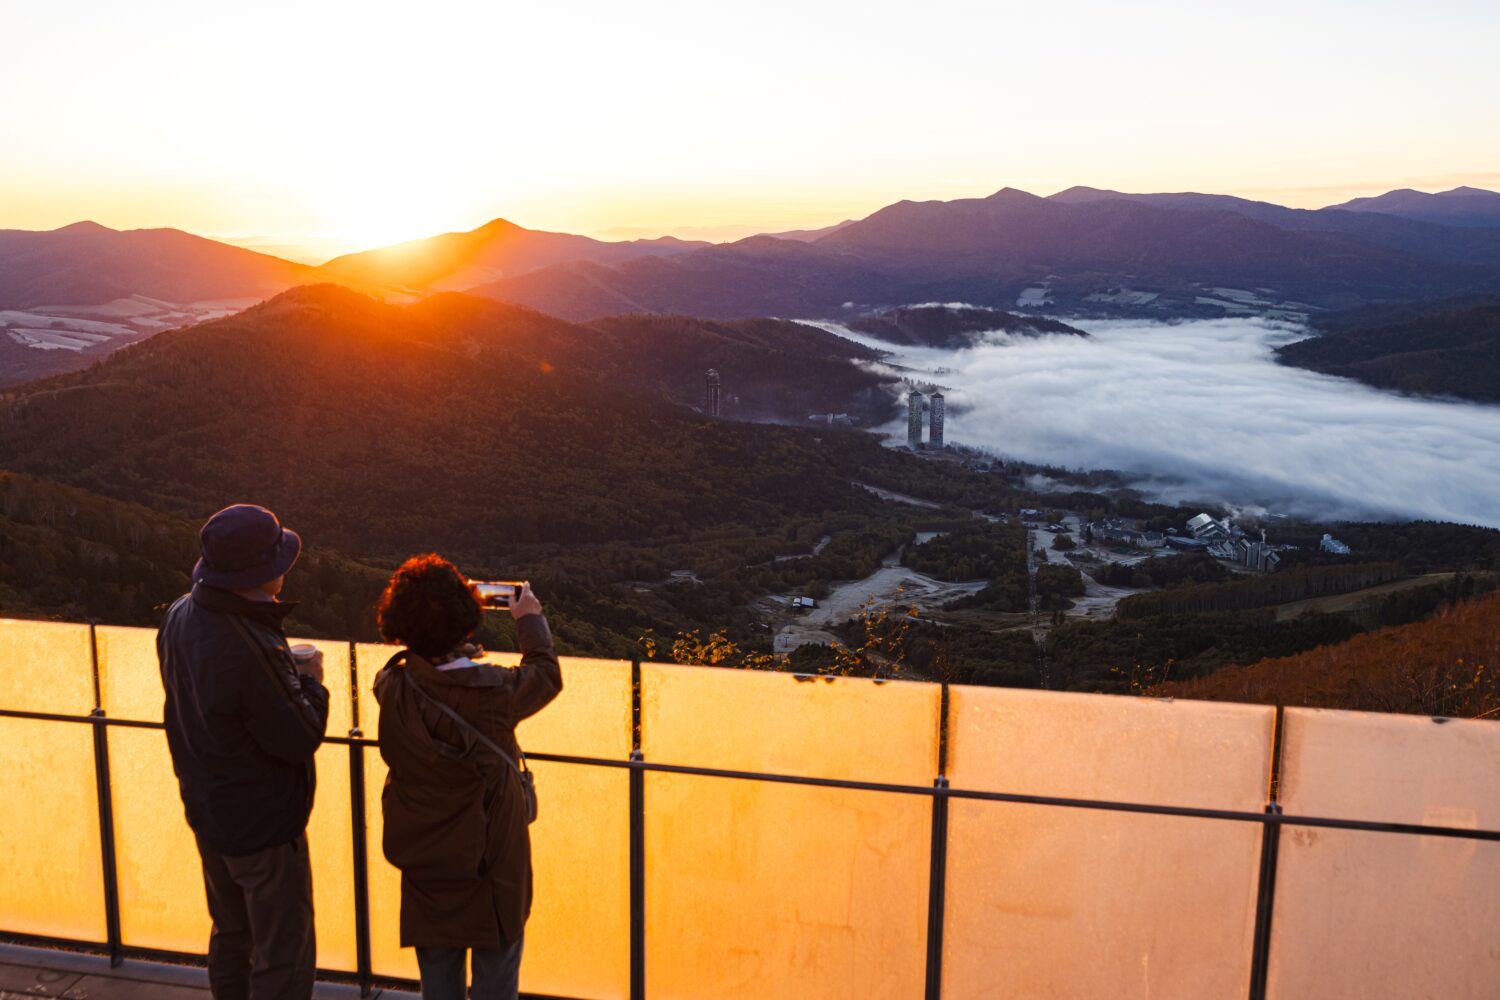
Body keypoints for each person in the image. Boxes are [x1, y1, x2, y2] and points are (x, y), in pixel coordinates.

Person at [157, 504, 330, 1000]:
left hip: (208, 807)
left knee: (232, 934)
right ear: (260, 571)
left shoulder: (179, 615)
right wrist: (310, 682)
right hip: (263, 824)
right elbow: (299, 735)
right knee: (283, 952)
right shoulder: (248, 645)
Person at [373, 555, 562, 1000]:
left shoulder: (391, 687)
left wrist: (448, 644)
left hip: (425, 856)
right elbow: (546, 675)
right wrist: (529, 618)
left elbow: (430, 673)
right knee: (497, 967)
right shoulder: (493, 692)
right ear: (463, 619)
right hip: (489, 862)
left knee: (438, 971)